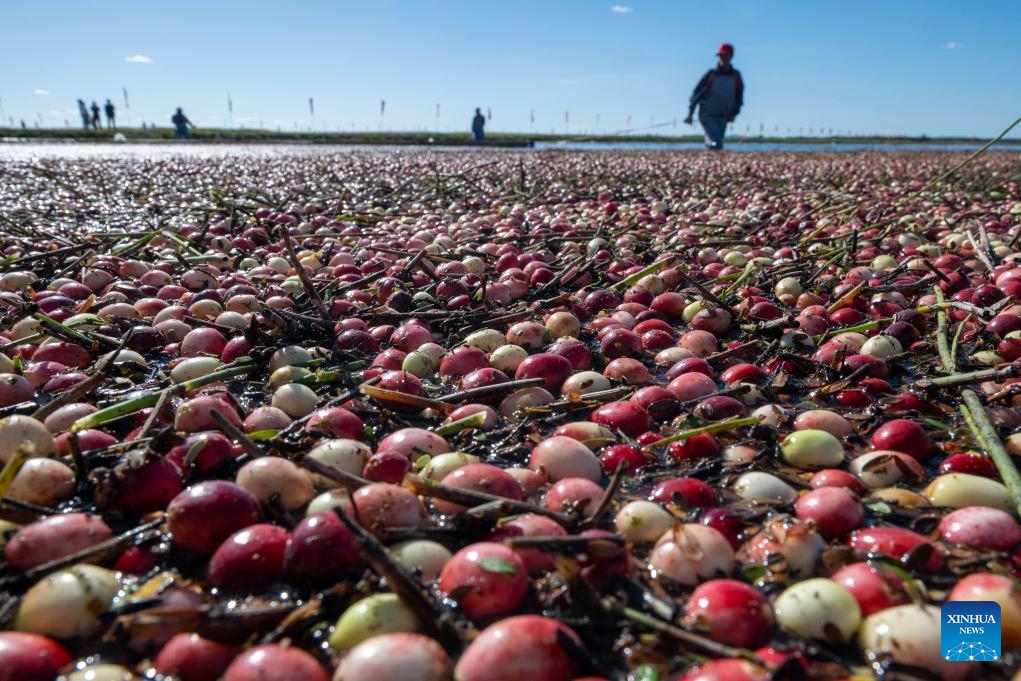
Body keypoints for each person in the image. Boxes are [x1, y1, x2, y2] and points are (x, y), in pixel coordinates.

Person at [683, 43, 744, 151]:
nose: (723, 58)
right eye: (721, 55)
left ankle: (709, 158)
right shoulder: (711, 74)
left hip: (724, 116)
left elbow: (739, 98)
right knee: (716, 142)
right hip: (707, 115)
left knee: (716, 140)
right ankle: (711, 162)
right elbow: (696, 94)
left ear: (731, 56)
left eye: (725, 55)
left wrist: (734, 113)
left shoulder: (736, 76)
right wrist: (690, 114)